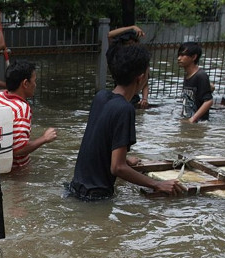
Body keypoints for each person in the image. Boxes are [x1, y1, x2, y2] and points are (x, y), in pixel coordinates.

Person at [67, 44, 185, 201]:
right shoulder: (125, 109)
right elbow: (117, 168)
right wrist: (157, 184)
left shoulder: (101, 96)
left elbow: (98, 140)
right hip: (96, 196)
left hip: (75, 188)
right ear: (141, 77)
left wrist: (125, 158)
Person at [0, 60, 57, 168]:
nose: (35, 85)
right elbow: (18, 149)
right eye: (34, 81)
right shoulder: (21, 109)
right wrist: (44, 138)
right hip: (16, 170)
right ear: (25, 83)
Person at [107, 25, 150, 109]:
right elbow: (110, 35)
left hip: (132, 98)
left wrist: (145, 99)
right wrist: (131, 27)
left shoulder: (140, 60)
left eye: (132, 44)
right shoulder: (119, 58)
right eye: (128, 44)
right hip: (121, 96)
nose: (130, 47)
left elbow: (145, 82)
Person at [177, 41, 213, 123]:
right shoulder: (188, 75)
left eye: (183, 55)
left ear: (194, 57)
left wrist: (193, 119)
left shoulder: (201, 75)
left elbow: (208, 101)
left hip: (199, 122)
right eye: (179, 55)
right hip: (188, 119)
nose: (179, 58)